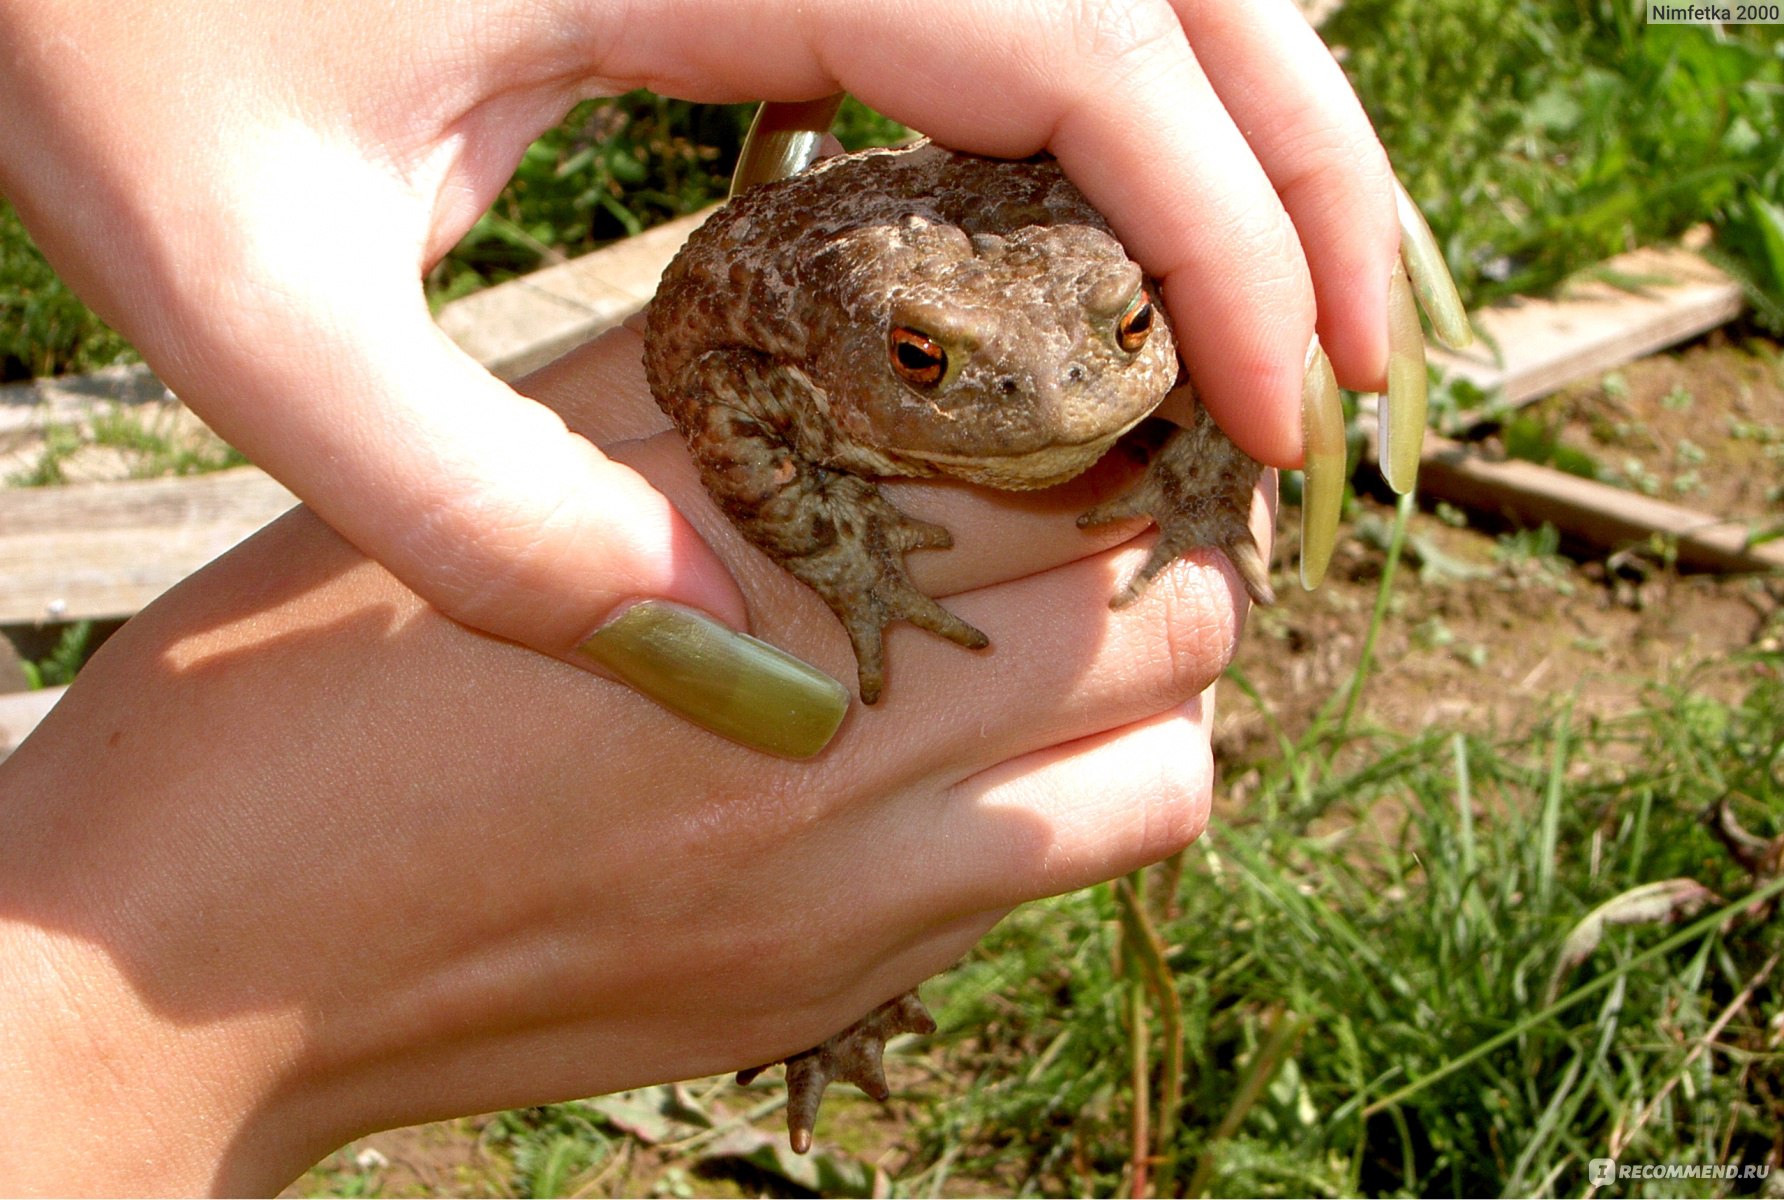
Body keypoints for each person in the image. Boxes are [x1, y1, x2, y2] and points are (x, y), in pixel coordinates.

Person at [0, 0, 1407, 1190]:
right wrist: (843, 547)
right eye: (932, 362)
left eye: (1127, 329)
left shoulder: (1103, 326)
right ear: (883, 352)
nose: (1047, 399)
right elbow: (725, 379)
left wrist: (1203, 474)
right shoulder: (799, 335)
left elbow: (1186, 354)